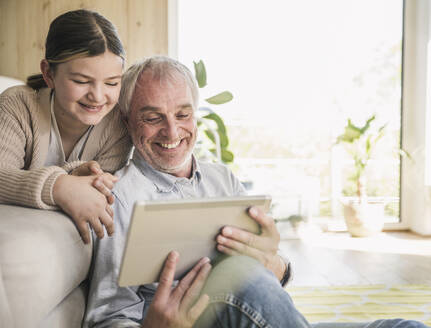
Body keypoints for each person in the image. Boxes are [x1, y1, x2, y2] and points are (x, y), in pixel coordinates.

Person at [83, 56, 428, 328]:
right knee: (238, 274)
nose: (171, 130)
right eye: (153, 117)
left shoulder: (221, 180)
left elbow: (267, 289)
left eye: (183, 114)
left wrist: (275, 263)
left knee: (409, 326)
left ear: (196, 117)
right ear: (127, 121)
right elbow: (107, 318)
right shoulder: (119, 196)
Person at [0, 9, 132, 244]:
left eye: (112, 83)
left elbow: (102, 193)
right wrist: (59, 186)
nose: (98, 96)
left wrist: (75, 174)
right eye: (81, 81)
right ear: (49, 74)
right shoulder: (17, 104)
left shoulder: (118, 126)